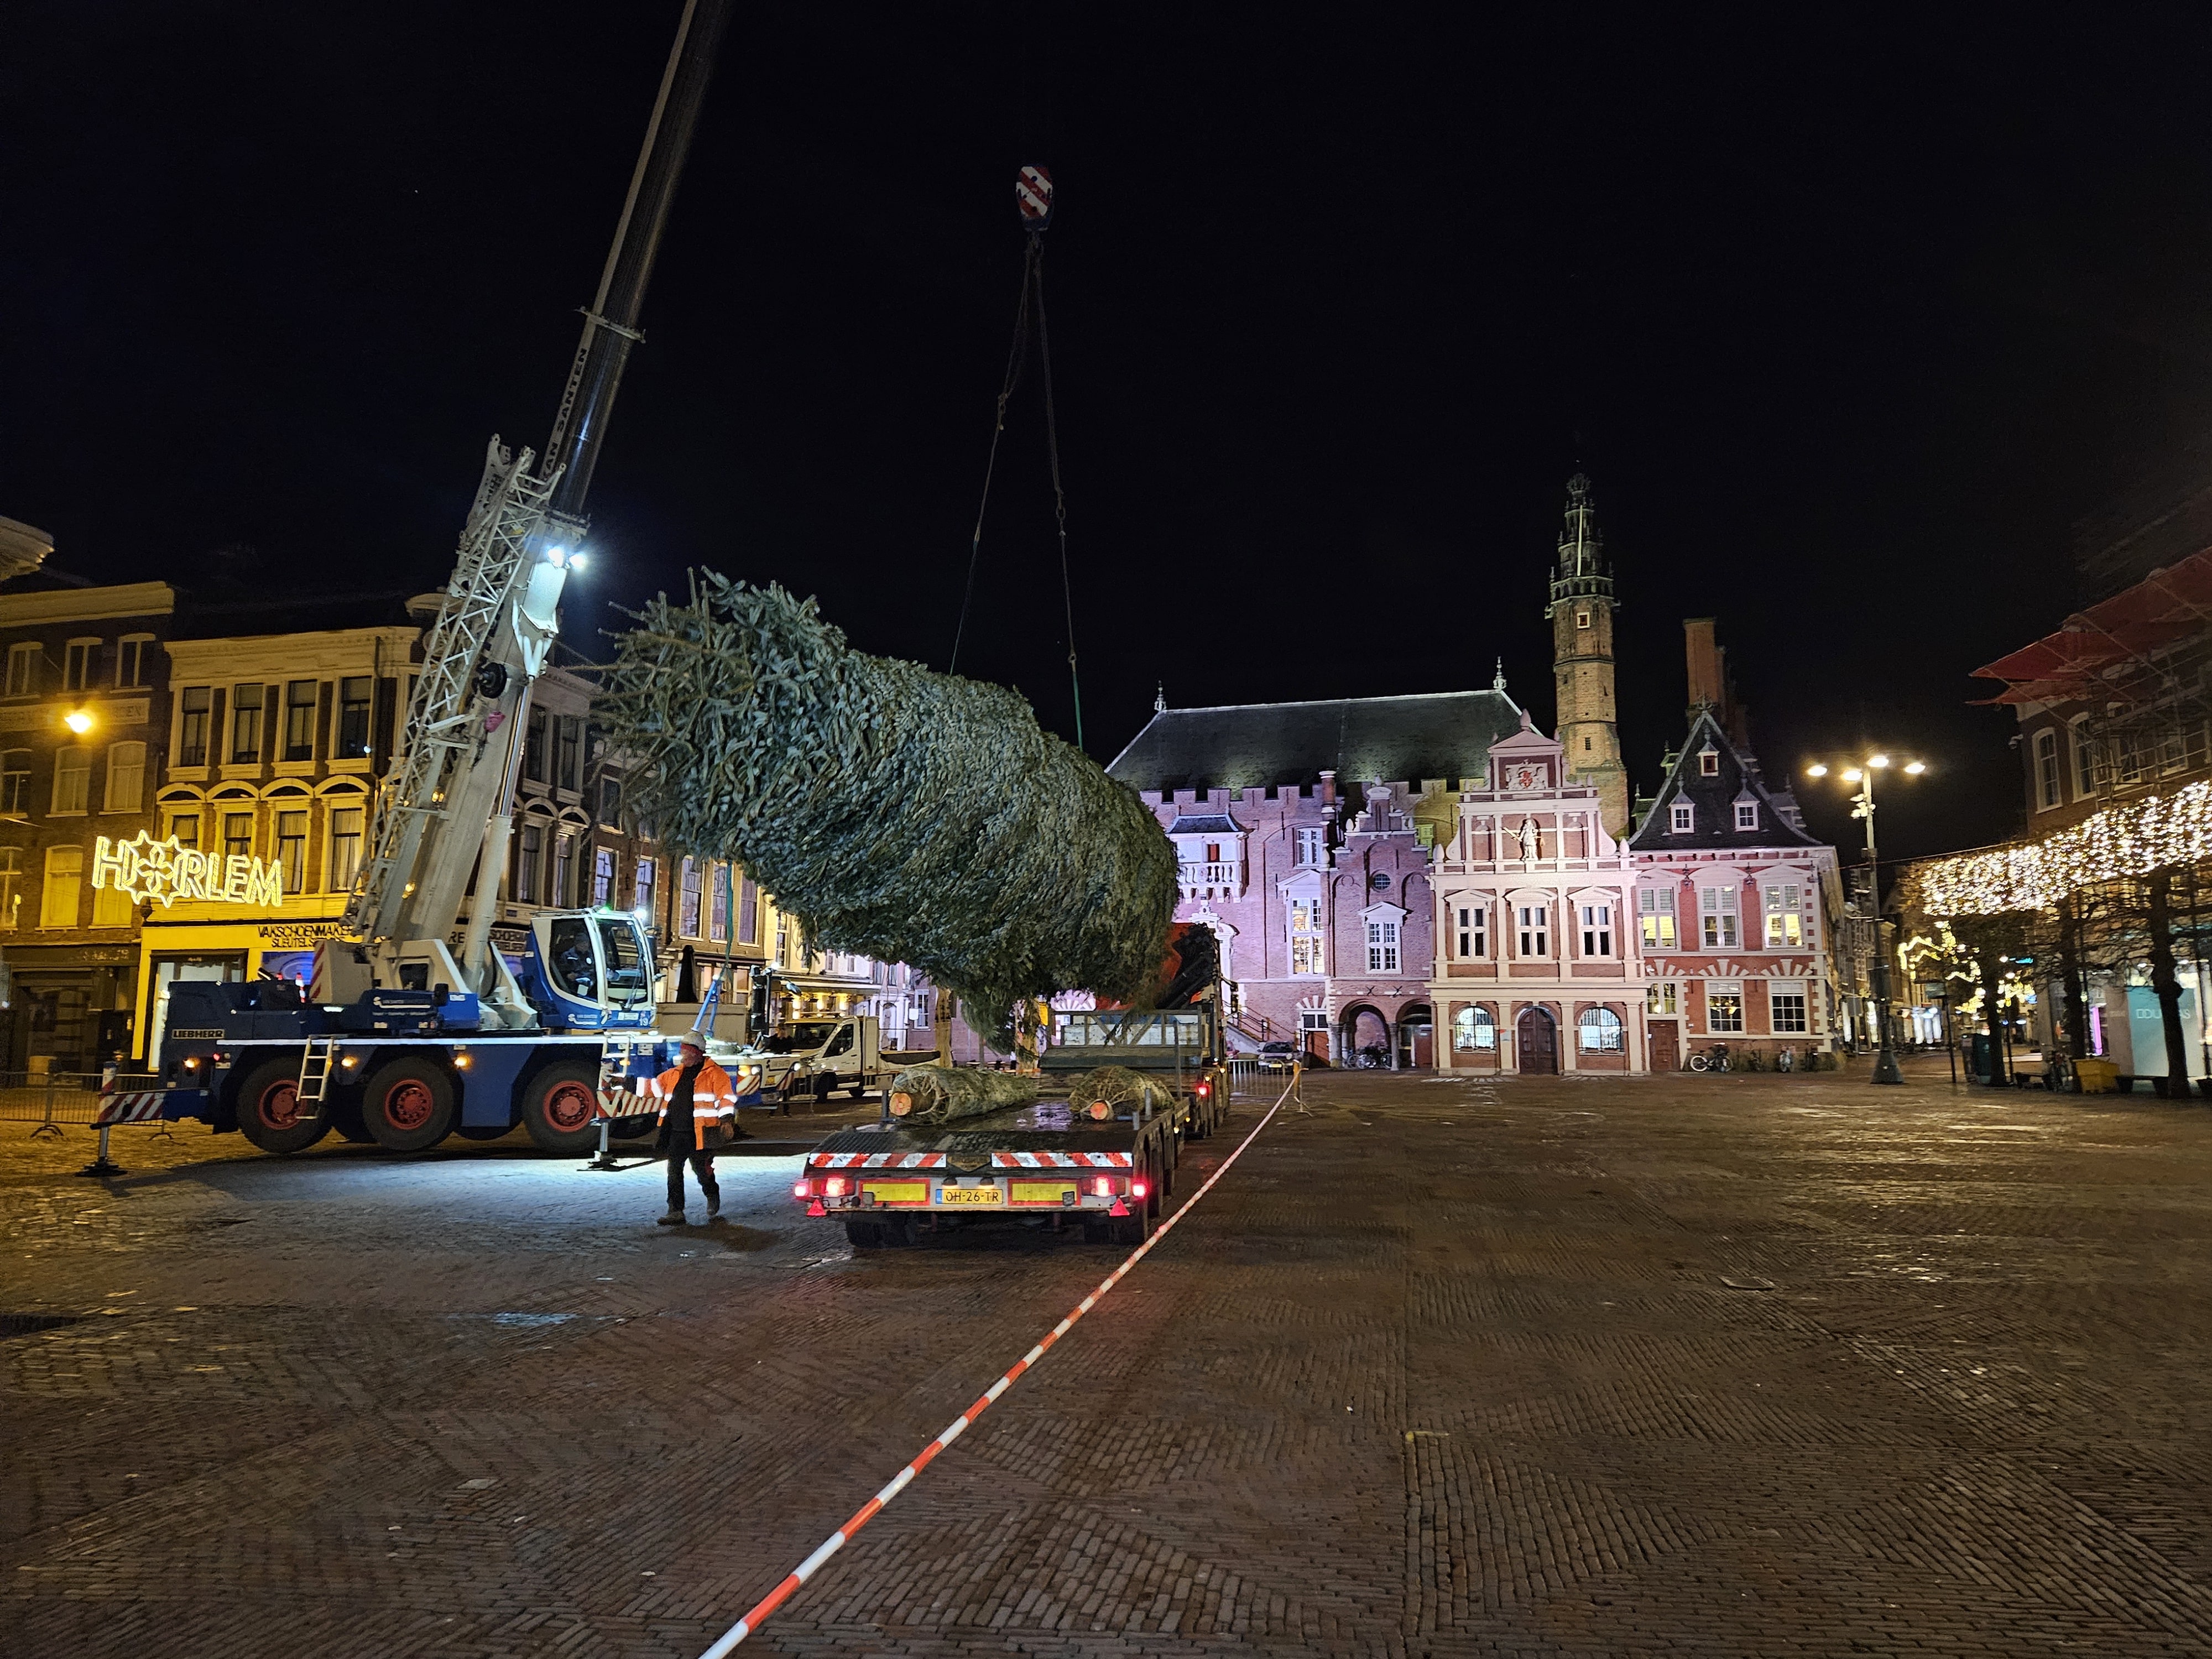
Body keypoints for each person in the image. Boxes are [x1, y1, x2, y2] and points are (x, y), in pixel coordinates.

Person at [650, 1039, 741, 1225]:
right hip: (676, 1133)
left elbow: (725, 1098)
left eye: (686, 1053)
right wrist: (626, 1083)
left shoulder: (715, 1074)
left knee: (702, 1171)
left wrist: (726, 1120)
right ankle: (675, 1211)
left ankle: (712, 1193)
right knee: (674, 1171)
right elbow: (652, 1088)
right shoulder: (674, 1074)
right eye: (682, 1052)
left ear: (697, 1053)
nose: (683, 1056)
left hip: (701, 1134)